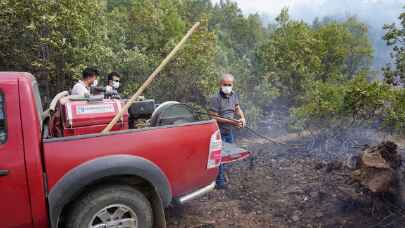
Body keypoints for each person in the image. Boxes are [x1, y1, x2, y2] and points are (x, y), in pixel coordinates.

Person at [209, 73, 246, 189]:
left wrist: (242, 118)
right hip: (218, 132)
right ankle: (219, 183)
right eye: (225, 84)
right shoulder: (216, 98)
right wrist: (231, 122)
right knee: (219, 158)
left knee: (229, 155)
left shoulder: (234, 95)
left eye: (229, 85)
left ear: (232, 85)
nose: (227, 87)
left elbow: (237, 108)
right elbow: (213, 117)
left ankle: (223, 176)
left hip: (229, 131)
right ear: (221, 84)